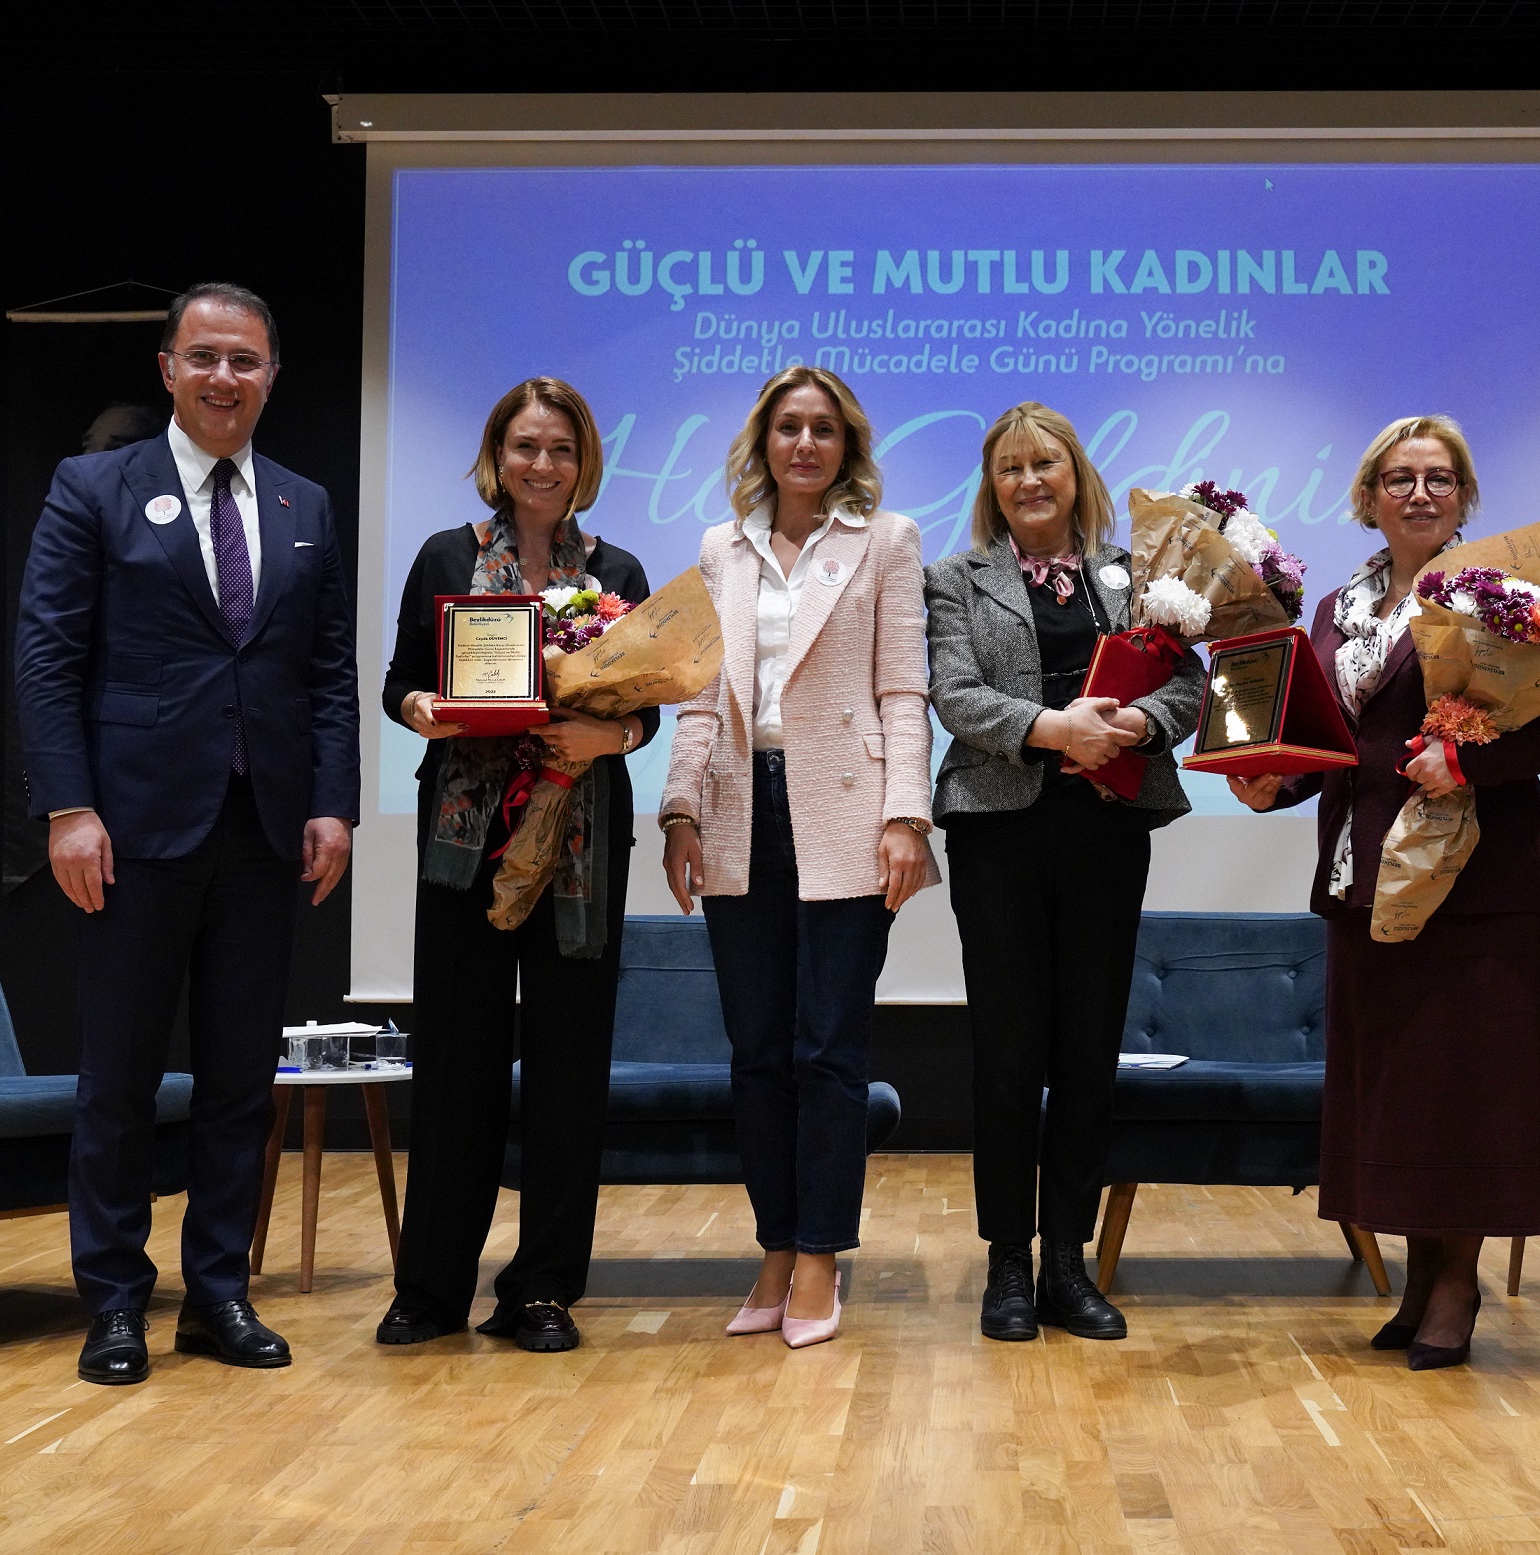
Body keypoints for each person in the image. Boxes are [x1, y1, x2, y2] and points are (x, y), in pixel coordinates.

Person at [16, 282, 360, 1386]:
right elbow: (45, 657)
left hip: (264, 832)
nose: (224, 378)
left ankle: (218, 1291)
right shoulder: (93, 487)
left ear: (271, 375)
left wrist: (331, 801)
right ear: (167, 367)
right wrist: (68, 806)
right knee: (117, 1079)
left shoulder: (305, 503)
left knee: (238, 1084)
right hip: (130, 827)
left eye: (245, 361)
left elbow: (328, 674)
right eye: (203, 357)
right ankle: (114, 1299)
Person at [1228, 414, 1540, 1371]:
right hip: (1365, 879)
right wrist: (1273, 779)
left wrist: (1468, 762)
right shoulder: (1338, 607)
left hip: (1478, 884)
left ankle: (1455, 1284)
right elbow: (1328, 740)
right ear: (1367, 498)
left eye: (1437, 478)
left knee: (1466, 1090)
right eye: (1399, 478)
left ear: (1464, 496)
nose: (1418, 493)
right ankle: (1424, 1272)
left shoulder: (1503, 597)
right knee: (1405, 1092)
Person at [374, 378, 655, 1353]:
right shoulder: (447, 556)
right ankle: (430, 1289)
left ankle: (541, 1288)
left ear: (585, 463)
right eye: (527, 447)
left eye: (562, 450)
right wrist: (425, 712)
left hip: (579, 844)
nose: (543, 465)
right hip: (466, 841)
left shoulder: (617, 569)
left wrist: (601, 736)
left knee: (570, 1068)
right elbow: (398, 683)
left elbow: (644, 709)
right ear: (498, 453)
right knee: (456, 1063)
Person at [658, 366, 938, 1349]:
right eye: (788, 427)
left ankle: (819, 1254)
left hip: (850, 817)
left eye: (823, 428)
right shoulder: (718, 549)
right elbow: (699, 695)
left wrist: (908, 815)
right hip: (738, 810)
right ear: (763, 441)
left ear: (845, 444)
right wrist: (677, 807)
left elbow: (903, 690)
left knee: (829, 1051)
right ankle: (773, 1245)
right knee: (756, 1055)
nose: (805, 443)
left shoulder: (885, 541)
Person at [925, 402, 1203, 1343]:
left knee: (1088, 1052)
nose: (1029, 480)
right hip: (997, 830)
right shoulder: (953, 579)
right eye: (1009, 468)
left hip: (1106, 827)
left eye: (1045, 462)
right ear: (989, 486)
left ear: (1076, 473)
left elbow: (1186, 684)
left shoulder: (1133, 577)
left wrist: (1136, 726)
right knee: (1008, 1053)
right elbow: (954, 692)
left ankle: (1067, 1265)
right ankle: (1007, 1263)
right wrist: (1054, 729)